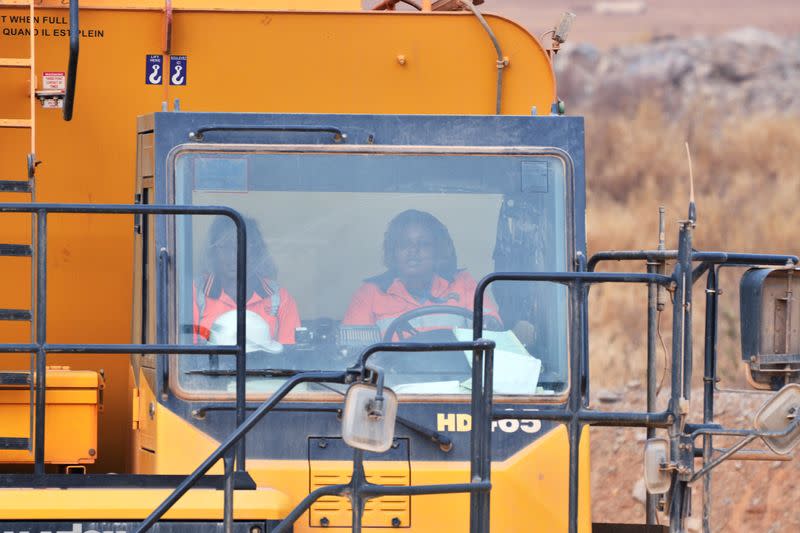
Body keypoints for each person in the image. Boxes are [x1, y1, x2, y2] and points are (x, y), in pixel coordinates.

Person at [343, 209, 499, 336]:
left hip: (461, 375)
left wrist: (489, 324)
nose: (413, 251)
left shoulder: (464, 284)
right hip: (393, 375)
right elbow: (355, 355)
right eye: (404, 244)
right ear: (393, 251)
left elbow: (493, 332)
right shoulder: (369, 293)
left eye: (423, 244)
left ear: (437, 251)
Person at [193, 216, 301, 348]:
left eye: (241, 245)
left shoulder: (280, 299)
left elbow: (288, 359)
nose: (233, 255)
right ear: (213, 253)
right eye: (225, 247)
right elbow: (188, 359)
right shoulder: (195, 294)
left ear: (255, 252)